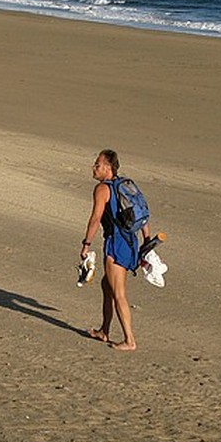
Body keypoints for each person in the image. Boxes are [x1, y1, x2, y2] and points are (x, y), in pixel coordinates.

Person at [79, 149, 150, 351]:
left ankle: (130, 340)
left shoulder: (102, 189)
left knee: (118, 292)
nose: (94, 167)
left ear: (108, 168)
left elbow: (95, 219)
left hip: (116, 243)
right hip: (130, 242)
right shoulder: (126, 185)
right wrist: (145, 240)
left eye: (97, 164)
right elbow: (143, 213)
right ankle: (104, 330)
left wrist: (86, 244)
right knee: (106, 285)